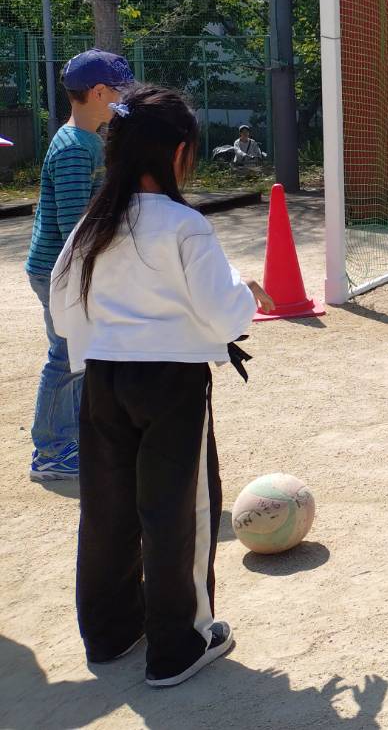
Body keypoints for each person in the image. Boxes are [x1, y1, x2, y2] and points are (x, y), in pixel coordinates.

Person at [50, 84, 275, 687]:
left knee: (108, 508)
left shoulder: (94, 223)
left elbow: (63, 307)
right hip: (171, 383)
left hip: (103, 378)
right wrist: (245, 292)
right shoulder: (184, 225)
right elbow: (223, 316)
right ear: (179, 153)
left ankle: (110, 632)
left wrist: (102, 341)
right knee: (180, 510)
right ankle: (179, 645)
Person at [24, 48, 134, 482]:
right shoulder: (75, 147)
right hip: (60, 270)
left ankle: (68, 437)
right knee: (66, 354)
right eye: (118, 91)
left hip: (68, 268)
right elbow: (75, 225)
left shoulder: (87, 140)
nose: (122, 99)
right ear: (99, 92)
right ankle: (51, 450)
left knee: (79, 353)